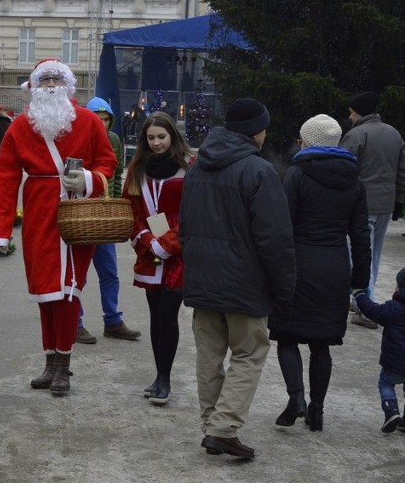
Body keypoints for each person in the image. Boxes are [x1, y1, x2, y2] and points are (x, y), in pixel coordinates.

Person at [0, 59, 117, 396]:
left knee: (68, 290)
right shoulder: (19, 127)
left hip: (76, 215)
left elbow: (107, 163)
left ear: (70, 85)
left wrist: (88, 178)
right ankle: (50, 361)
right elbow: (4, 177)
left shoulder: (88, 122)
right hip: (38, 212)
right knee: (45, 291)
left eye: (58, 78)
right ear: (32, 86)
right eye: (45, 80)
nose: (52, 85)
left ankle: (63, 365)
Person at [179, 97, 296, 459]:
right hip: (246, 282)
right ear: (257, 131)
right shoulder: (259, 172)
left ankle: (211, 425)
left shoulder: (197, 168)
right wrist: (284, 286)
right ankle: (223, 428)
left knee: (209, 355)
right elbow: (275, 238)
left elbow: (185, 226)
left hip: (203, 279)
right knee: (249, 353)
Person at [267, 114, 371, 432]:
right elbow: (361, 237)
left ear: (307, 141)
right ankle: (317, 410)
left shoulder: (297, 175)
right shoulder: (354, 182)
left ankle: (296, 397)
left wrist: (273, 267)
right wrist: (359, 281)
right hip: (334, 267)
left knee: (287, 335)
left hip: (298, 265)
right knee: (321, 343)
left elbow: (283, 226)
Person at [122, 111, 194, 405]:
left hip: (178, 252)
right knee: (155, 315)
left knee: (168, 314)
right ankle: (158, 375)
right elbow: (131, 209)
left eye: (161, 137)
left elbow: (194, 212)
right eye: (150, 138)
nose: (156, 143)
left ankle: (165, 378)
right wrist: (147, 240)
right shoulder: (137, 168)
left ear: (172, 136)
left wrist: (167, 243)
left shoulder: (190, 166)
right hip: (149, 251)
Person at [75, 97, 141, 344]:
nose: (101, 123)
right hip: (81, 216)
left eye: (105, 119)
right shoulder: (78, 138)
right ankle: (75, 323)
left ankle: (112, 320)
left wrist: (112, 204)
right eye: (97, 118)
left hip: (105, 215)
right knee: (78, 274)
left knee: (110, 272)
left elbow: (116, 174)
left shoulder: (113, 140)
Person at [339, 91, 405, 328]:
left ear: (359, 111)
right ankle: (359, 298)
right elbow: (401, 171)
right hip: (385, 204)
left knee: (356, 254)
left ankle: (364, 305)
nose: (349, 115)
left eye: (351, 111)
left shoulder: (356, 134)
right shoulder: (394, 133)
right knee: (374, 254)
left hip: (360, 205)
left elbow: (343, 169)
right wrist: (398, 200)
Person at [354, 267, 405, 433]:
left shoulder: (393, 308)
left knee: (386, 383)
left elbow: (373, 311)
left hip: (394, 362)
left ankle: (391, 411)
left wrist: (360, 295)